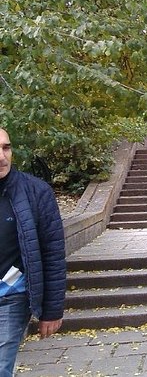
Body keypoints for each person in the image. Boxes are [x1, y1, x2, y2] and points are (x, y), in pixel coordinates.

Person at [0, 128, 66, 376]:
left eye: (6, 148)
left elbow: (53, 254)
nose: (2, 156)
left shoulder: (36, 192)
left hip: (10, 296)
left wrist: (51, 309)